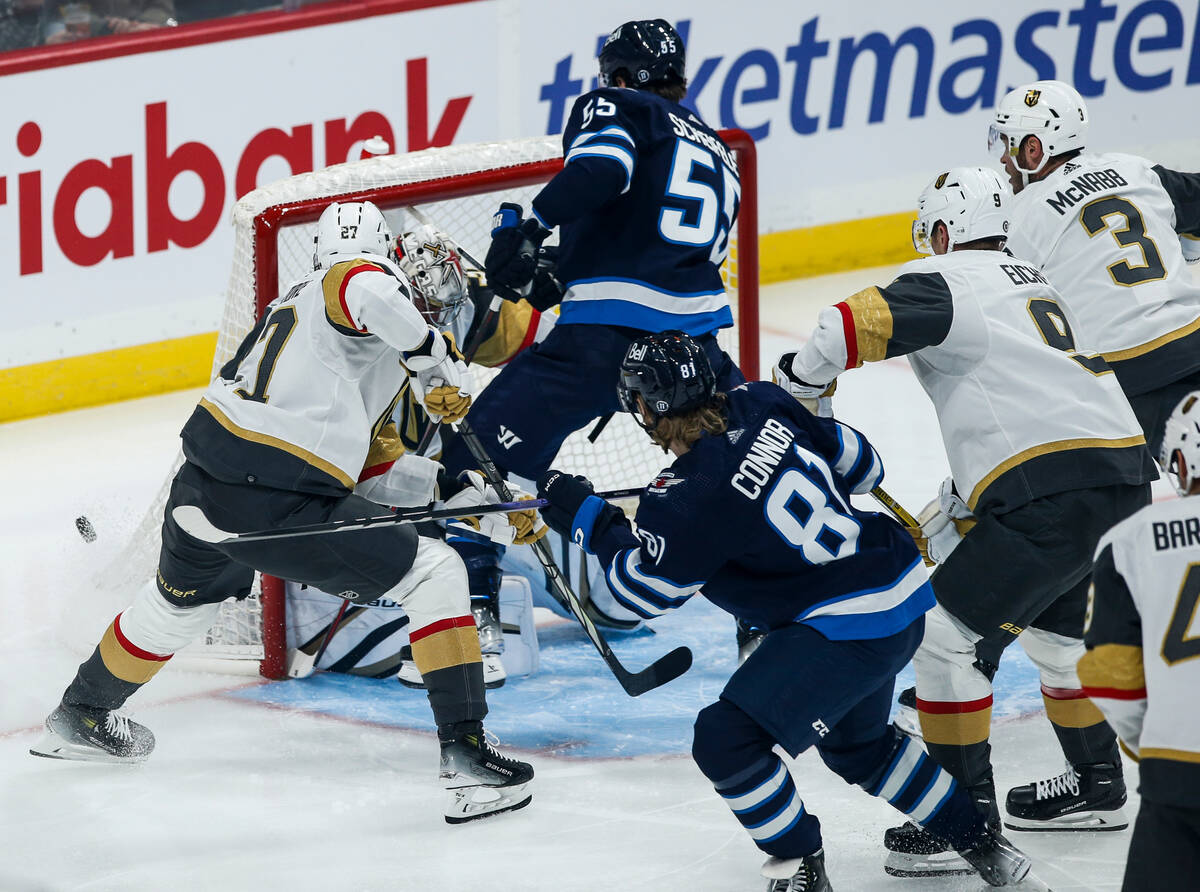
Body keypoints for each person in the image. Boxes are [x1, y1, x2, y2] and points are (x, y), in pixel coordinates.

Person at [30, 200, 539, 824]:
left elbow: (376, 483)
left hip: (204, 488)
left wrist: (477, 503)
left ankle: (79, 714)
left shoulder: (310, 322)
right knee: (436, 574)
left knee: (172, 611)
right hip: (273, 497)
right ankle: (468, 762)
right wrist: (430, 354)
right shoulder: (348, 287)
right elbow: (363, 284)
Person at [536, 331, 1034, 890]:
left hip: (843, 626)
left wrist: (590, 522)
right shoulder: (761, 401)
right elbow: (864, 465)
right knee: (860, 748)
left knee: (726, 742)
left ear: (646, 408)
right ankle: (982, 844)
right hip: (899, 596)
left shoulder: (681, 497)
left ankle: (799, 864)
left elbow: (642, 594)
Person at [772, 167, 1157, 874]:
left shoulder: (949, 277)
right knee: (1053, 636)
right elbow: (1029, 403)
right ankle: (1098, 785)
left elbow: (843, 324)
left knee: (942, 639)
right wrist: (961, 500)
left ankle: (963, 824)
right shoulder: (1034, 281)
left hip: (1050, 498)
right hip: (1123, 480)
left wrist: (796, 381)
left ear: (944, 231)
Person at [435, 18, 745, 643]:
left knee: (475, 462)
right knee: (743, 464)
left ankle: (477, 620)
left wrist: (533, 227)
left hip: (606, 342)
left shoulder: (619, 105)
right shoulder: (718, 149)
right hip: (698, 350)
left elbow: (603, 170)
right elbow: (651, 236)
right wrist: (563, 269)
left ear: (624, 77)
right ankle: (763, 609)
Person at [989, 79, 1200, 457]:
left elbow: (995, 313)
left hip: (1129, 373)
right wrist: (1188, 245)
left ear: (1033, 149)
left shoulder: (1018, 220)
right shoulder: (1136, 170)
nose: (1003, 158)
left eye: (1008, 144)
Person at [1080, 392, 1200, 891]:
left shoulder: (1132, 538)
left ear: (1180, 459)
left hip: (1179, 770)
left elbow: (1110, 673)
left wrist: (1154, 741)